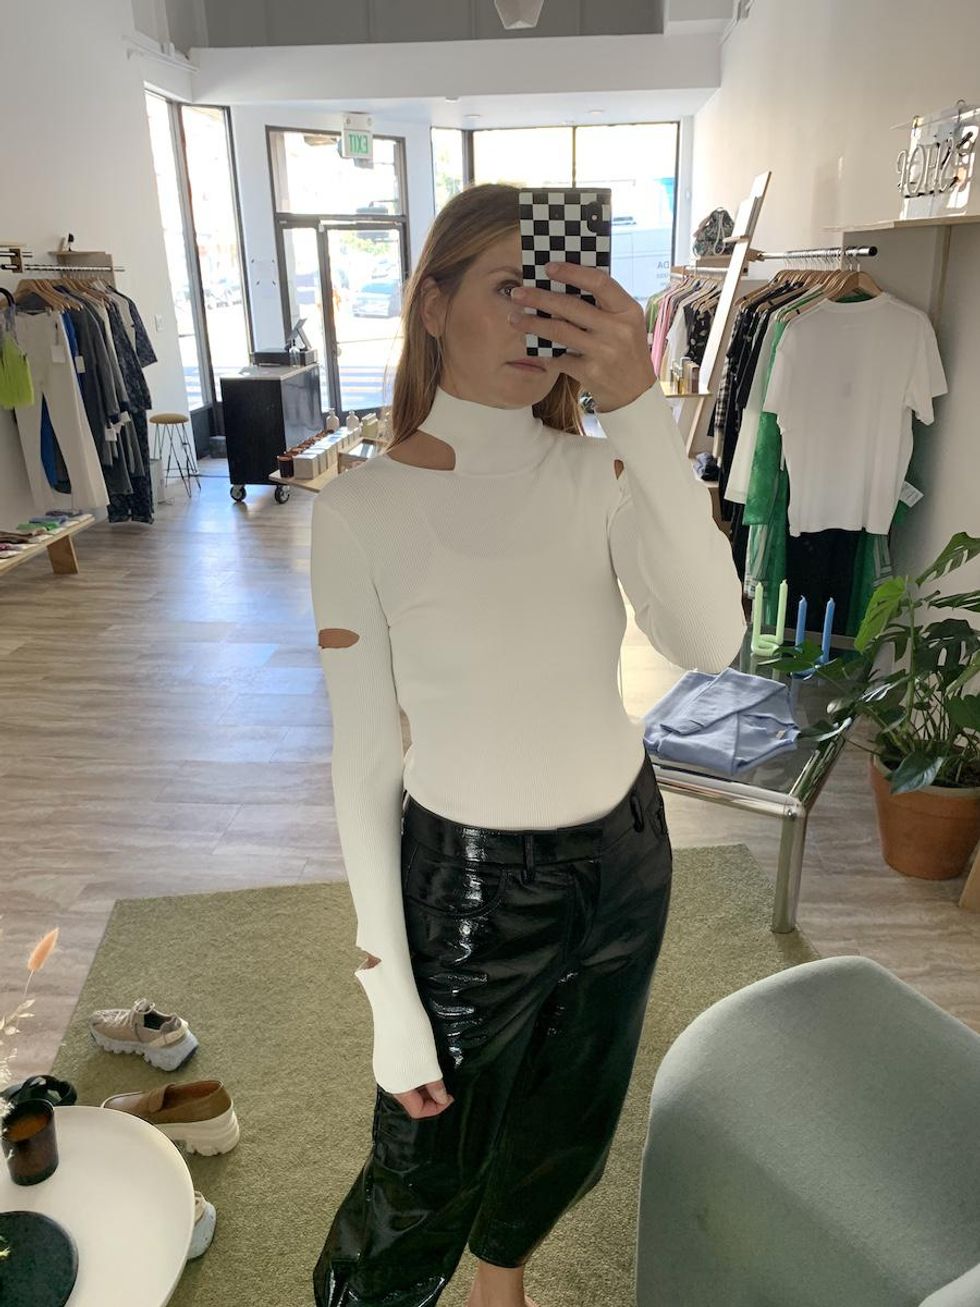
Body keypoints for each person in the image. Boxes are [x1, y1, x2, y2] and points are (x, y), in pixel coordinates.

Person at [310, 181, 746, 1307]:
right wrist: (387, 994)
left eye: (555, 289)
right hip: (469, 884)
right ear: (433, 304)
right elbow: (363, 763)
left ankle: (498, 1281)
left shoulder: (604, 471)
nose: (534, 317)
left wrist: (637, 407)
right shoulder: (359, 510)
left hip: (626, 854)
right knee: (418, 1170)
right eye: (508, 286)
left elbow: (711, 641)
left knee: (568, 1116)